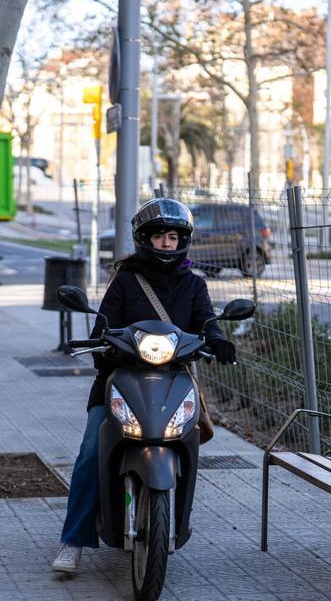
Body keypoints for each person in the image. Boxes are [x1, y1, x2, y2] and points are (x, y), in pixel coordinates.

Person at [51, 198, 236, 574]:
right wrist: (102, 346)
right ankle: (73, 540)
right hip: (119, 379)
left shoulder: (194, 285)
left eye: (173, 236)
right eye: (159, 237)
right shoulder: (126, 281)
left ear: (183, 240)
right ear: (143, 239)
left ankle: (174, 521)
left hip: (172, 381)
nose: (166, 244)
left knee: (186, 440)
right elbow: (102, 326)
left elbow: (206, 322)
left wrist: (217, 339)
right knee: (91, 450)